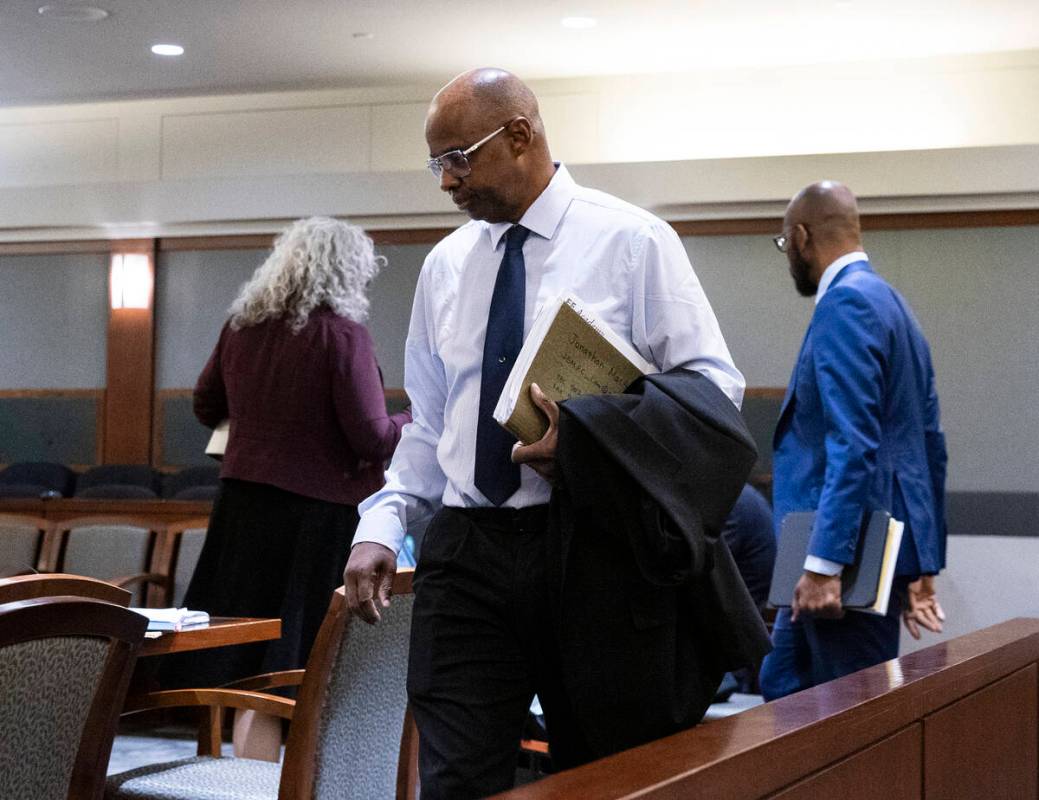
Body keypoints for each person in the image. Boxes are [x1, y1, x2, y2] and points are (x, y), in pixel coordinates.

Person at [343, 67, 753, 799]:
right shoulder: (444, 268)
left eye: (457, 158)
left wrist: (595, 440)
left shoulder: (631, 241)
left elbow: (713, 396)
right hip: (467, 552)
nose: (445, 182)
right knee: (456, 778)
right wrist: (380, 523)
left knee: (602, 775)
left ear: (522, 135)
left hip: (592, 550)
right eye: (436, 164)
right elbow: (430, 427)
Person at [168, 217, 411, 737]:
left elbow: (205, 403)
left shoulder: (241, 326)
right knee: (298, 662)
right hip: (316, 517)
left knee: (245, 656)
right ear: (347, 272)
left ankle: (239, 784)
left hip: (243, 509)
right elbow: (371, 438)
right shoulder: (342, 335)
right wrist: (418, 422)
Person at [759, 181, 948, 701]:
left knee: (843, 729)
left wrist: (823, 567)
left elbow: (854, 443)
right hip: (866, 551)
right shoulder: (894, 305)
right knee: (782, 690)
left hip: (842, 561)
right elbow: (929, 445)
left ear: (800, 237)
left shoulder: (845, 305)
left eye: (783, 245)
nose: (788, 256)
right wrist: (922, 564)